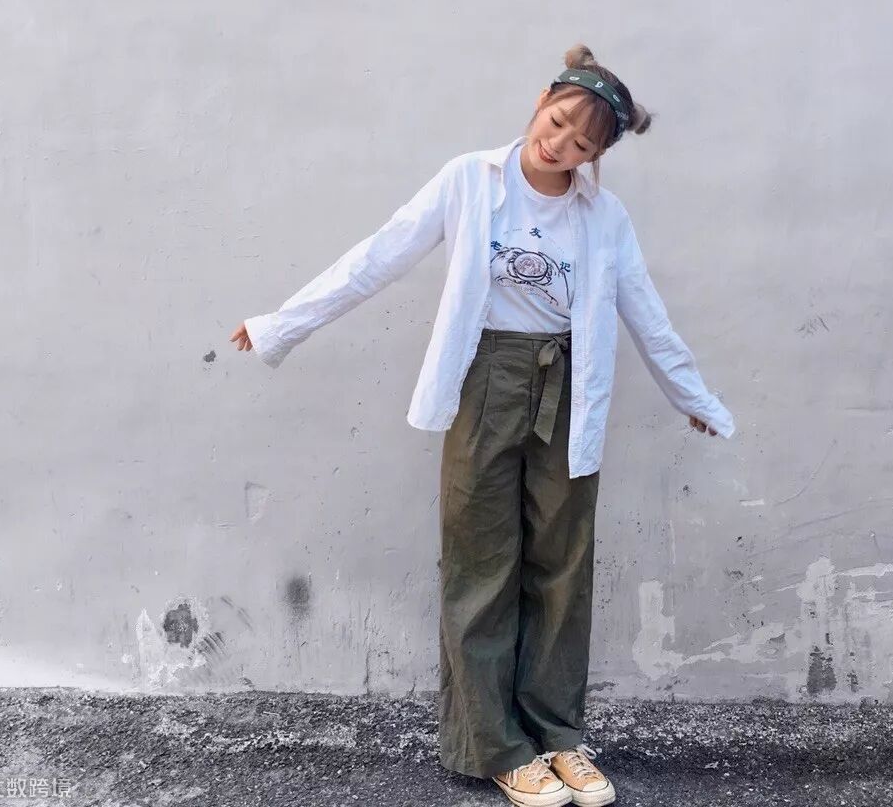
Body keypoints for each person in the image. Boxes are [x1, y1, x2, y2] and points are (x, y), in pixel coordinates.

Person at [230, 44, 736, 807]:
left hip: (569, 386)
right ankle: (497, 746)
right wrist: (281, 325)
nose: (558, 144)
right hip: (485, 380)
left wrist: (693, 397)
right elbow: (379, 256)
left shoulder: (604, 217)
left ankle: (557, 735)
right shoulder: (469, 179)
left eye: (581, 143)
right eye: (557, 122)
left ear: (597, 157)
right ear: (541, 102)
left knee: (563, 564)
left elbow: (646, 314)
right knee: (481, 563)